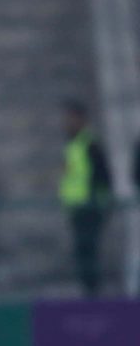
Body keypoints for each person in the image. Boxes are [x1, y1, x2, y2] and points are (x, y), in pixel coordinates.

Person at [60, 100, 111, 296]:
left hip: (89, 207)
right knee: (81, 251)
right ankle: (87, 291)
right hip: (76, 207)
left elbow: (103, 176)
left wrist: (102, 204)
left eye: (71, 118)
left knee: (89, 250)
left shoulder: (90, 144)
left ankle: (92, 293)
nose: (67, 122)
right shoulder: (72, 144)